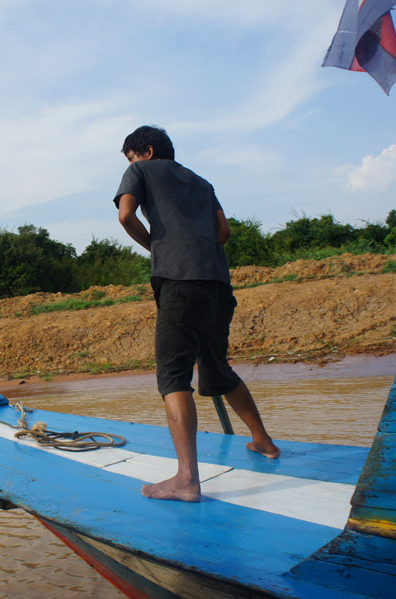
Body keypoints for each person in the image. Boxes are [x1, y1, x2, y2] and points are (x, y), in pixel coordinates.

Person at [113, 125, 279, 503]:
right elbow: (224, 231)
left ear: (147, 151)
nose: (131, 163)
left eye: (131, 157)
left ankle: (187, 478)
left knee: (173, 375)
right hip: (217, 284)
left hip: (179, 282)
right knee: (216, 365)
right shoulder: (202, 182)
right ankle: (264, 442)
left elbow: (126, 216)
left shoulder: (141, 171)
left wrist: (157, 246)